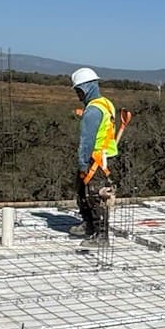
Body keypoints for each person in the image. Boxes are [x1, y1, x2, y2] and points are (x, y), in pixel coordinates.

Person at [68, 67, 122, 239]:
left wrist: (83, 164)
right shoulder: (106, 103)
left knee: (95, 195)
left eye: (78, 91)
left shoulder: (92, 111)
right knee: (82, 189)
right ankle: (88, 225)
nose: (78, 95)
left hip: (97, 159)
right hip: (105, 156)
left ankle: (101, 236)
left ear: (85, 88)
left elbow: (87, 141)